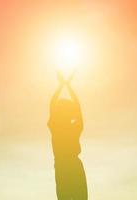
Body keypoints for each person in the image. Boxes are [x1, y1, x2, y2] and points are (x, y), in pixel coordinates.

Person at [48, 71, 88, 200]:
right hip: (68, 165)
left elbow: (52, 104)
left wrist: (62, 85)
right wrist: (67, 85)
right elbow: (78, 107)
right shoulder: (71, 127)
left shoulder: (56, 127)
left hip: (65, 165)